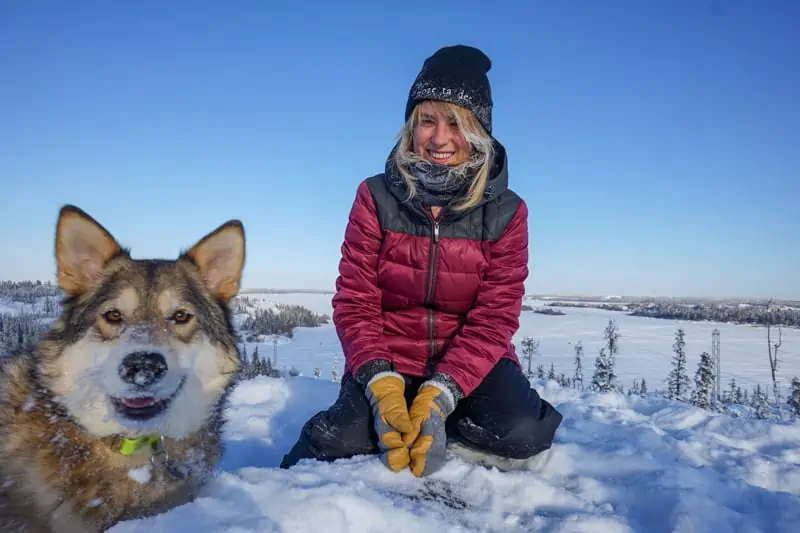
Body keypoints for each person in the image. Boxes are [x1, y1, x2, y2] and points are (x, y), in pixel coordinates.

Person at [280, 44, 563, 477]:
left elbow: (495, 317)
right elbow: (355, 301)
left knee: (522, 431)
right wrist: (380, 383)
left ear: (480, 132)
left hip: (470, 363)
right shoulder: (374, 197)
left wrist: (442, 393)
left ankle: (435, 417)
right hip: (388, 359)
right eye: (427, 120)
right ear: (410, 128)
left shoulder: (507, 212)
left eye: (457, 123)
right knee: (338, 441)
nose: (439, 138)